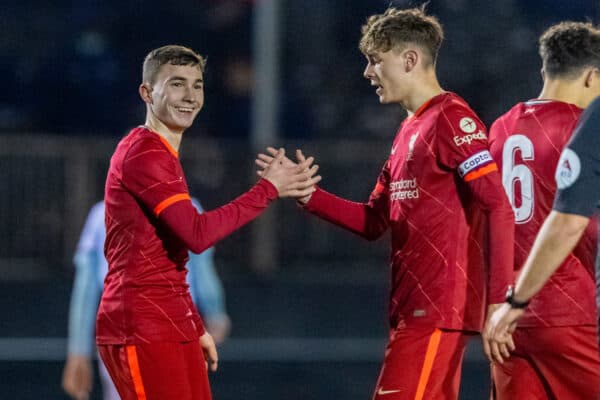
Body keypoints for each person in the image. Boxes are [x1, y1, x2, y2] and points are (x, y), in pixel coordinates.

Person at [258, 6, 514, 399]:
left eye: (375, 61)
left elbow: (497, 204)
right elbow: (373, 221)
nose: (367, 72)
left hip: (437, 311)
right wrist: (310, 195)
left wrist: (500, 301)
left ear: (410, 59)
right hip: (412, 310)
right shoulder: (408, 130)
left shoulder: (452, 118)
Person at [96, 45, 320, 400]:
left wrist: (192, 324)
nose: (189, 96)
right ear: (146, 92)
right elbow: (197, 235)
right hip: (142, 327)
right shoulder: (145, 153)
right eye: (176, 84)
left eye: (197, 85)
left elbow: (173, 255)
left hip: (171, 324)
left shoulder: (161, 153)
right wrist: (267, 190)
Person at [483, 21, 600, 399]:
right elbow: (581, 225)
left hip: (508, 318)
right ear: (591, 77)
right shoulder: (583, 130)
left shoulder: (500, 128)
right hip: (572, 311)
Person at [62, 200, 231, 400]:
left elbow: (86, 290)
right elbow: (203, 273)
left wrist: (78, 351)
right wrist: (216, 314)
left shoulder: (102, 214)